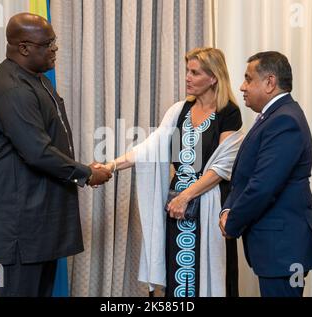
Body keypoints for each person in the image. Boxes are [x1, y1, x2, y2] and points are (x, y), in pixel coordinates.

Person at [0, 13, 112, 297]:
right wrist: (85, 174)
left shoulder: (34, 79)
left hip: (36, 227)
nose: (54, 49)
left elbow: (47, 144)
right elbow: (37, 151)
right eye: (47, 43)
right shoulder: (11, 88)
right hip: (15, 233)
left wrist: (81, 168)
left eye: (54, 42)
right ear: (24, 48)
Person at [101, 48, 244, 297]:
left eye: (194, 72)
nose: (187, 77)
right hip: (176, 209)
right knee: (177, 275)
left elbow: (221, 168)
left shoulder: (229, 113)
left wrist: (185, 196)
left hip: (207, 208)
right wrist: (111, 166)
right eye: (187, 71)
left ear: (213, 77)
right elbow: (149, 148)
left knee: (208, 276)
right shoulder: (179, 111)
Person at [219, 51, 312, 297]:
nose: (242, 87)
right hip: (276, 247)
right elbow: (244, 177)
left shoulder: (285, 120)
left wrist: (232, 222)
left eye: (248, 79)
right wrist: (228, 209)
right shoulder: (272, 116)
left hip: (284, 248)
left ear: (269, 82)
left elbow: (263, 186)